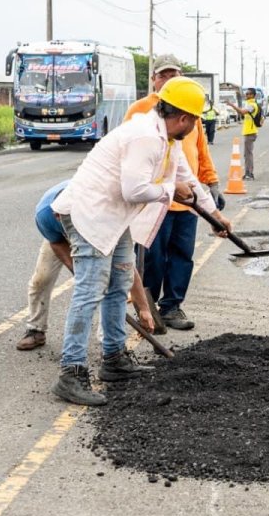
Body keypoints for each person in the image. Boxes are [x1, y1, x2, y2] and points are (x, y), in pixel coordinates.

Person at [49, 77, 231, 406]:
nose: (195, 126)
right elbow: (135, 190)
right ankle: (70, 373)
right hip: (90, 215)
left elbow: (188, 180)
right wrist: (169, 190)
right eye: (196, 120)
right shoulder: (145, 137)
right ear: (185, 119)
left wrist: (215, 216)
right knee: (90, 290)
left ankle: (114, 360)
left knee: (119, 284)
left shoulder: (169, 141)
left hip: (115, 219)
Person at [125, 57, 225, 332]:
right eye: (164, 75)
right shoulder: (143, 115)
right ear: (154, 80)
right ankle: (146, 306)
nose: (169, 79)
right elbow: (132, 171)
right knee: (151, 258)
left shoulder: (188, 113)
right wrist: (169, 189)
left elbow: (196, 154)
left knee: (182, 255)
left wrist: (211, 185)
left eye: (175, 74)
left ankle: (171, 306)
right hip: (153, 200)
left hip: (186, 201)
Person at [16, 180, 155, 351]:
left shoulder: (104, 217)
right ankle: (35, 329)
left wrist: (144, 309)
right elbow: (57, 243)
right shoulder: (45, 214)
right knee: (41, 280)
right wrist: (80, 272)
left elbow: (126, 266)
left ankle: (109, 344)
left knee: (112, 284)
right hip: (60, 236)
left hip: (95, 233)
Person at [228, 88, 260, 180]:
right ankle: (248, 173)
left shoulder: (252, 105)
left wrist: (232, 105)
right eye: (246, 94)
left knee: (248, 154)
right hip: (248, 132)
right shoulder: (249, 104)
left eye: (249, 94)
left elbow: (242, 112)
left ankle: (249, 173)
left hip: (250, 132)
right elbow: (241, 112)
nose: (247, 96)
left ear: (253, 95)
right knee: (247, 154)